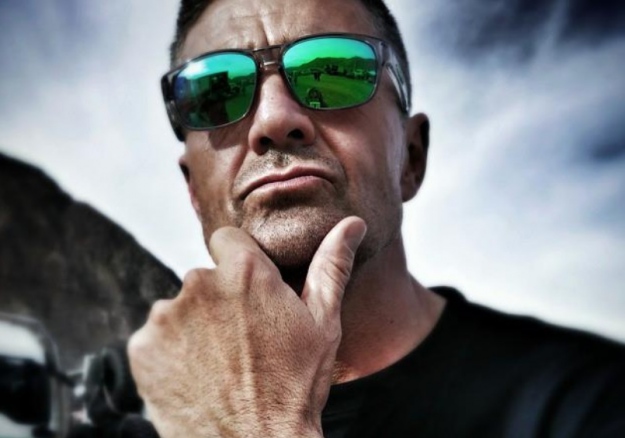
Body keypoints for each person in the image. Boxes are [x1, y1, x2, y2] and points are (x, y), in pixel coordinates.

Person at [128, 0, 625, 437]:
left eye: (333, 71)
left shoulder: (592, 401)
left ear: (411, 156)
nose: (275, 120)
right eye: (214, 90)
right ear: (193, 191)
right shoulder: (135, 419)